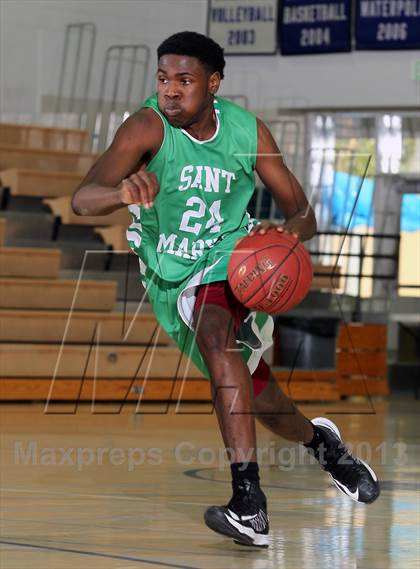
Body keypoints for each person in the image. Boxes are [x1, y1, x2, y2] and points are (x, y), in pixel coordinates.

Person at [72, 31, 380, 548]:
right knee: (261, 398)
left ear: (213, 83)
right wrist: (120, 191)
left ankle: (249, 504)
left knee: (218, 338)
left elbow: (303, 212)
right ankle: (325, 447)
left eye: (185, 81)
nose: (171, 90)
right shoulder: (145, 126)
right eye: (163, 79)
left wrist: (283, 235)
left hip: (231, 260)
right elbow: (83, 199)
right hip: (170, 274)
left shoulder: (246, 131)